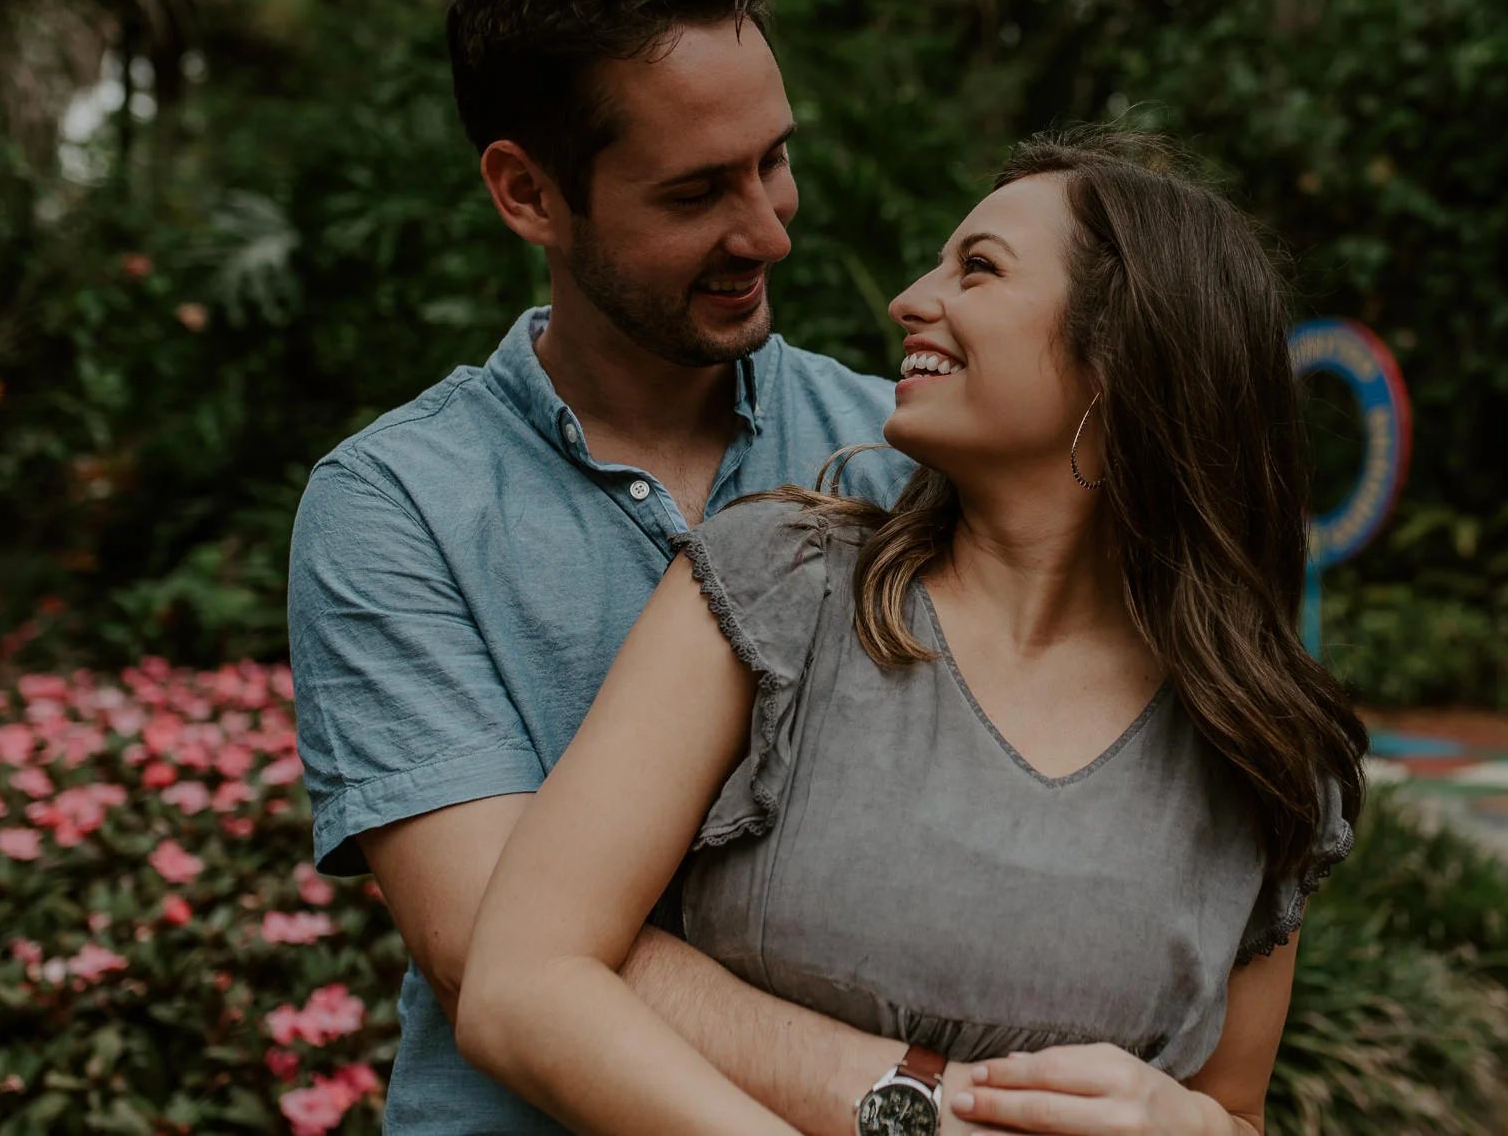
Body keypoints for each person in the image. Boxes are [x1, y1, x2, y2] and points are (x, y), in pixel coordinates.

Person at [455, 129, 1371, 1135]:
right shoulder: (779, 584)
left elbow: (1232, 1105)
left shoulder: (1260, 743)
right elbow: (521, 981)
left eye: (975, 267)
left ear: (1123, 350)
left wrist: (1191, 1128)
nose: (908, 298)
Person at [286, 0, 982, 1134]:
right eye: (695, 190)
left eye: (773, 157)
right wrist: (922, 1102)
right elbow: (497, 952)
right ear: (526, 193)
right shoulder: (394, 507)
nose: (766, 226)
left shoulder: (907, 452)